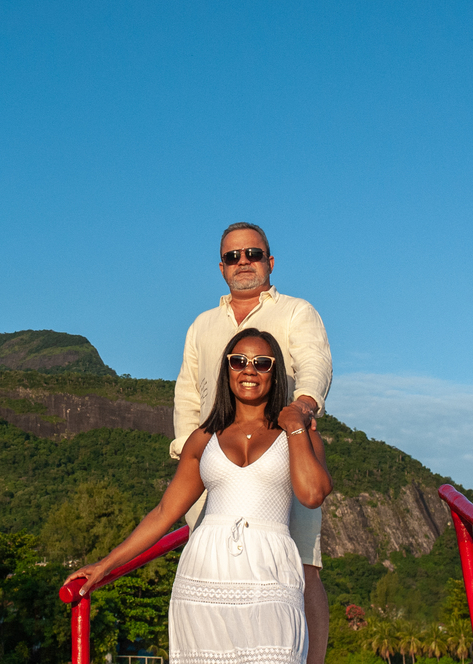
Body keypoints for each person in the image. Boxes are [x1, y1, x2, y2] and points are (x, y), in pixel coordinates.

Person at [64, 329, 332, 664]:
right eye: (239, 361)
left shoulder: (298, 434)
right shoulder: (204, 438)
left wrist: (294, 422)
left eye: (262, 363)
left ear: (274, 373)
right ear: (227, 370)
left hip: (271, 568)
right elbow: (164, 512)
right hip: (205, 570)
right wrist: (104, 566)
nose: (249, 370)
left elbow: (312, 495)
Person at [172, 222, 333, 663]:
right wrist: (193, 454)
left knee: (302, 569)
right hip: (216, 469)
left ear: (270, 261)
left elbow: (315, 363)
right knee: (214, 575)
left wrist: (299, 412)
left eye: (253, 254)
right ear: (221, 267)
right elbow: (189, 394)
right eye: (232, 256)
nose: (243, 262)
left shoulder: (297, 312)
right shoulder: (202, 326)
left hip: (284, 458)